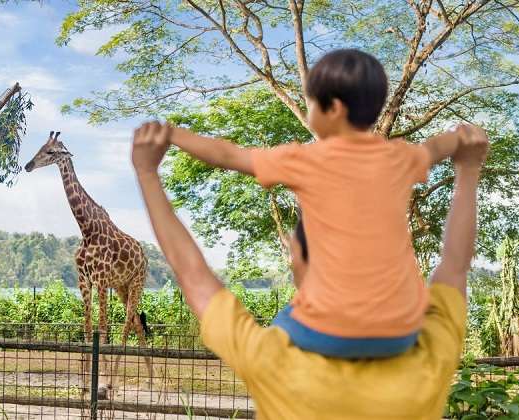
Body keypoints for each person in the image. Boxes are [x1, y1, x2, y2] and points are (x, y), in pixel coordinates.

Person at [131, 118, 488, 418]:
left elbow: (193, 275)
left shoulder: (274, 360)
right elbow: (454, 267)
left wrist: (147, 173)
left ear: (298, 258)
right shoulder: (427, 355)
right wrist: (469, 170)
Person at [155, 49, 484, 359]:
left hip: (329, 332)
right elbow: (439, 146)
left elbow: (228, 155)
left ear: (335, 109)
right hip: (401, 331)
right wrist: (462, 135)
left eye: (310, 103)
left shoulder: (306, 159)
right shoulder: (401, 157)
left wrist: (172, 134)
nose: (308, 110)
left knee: (280, 325)